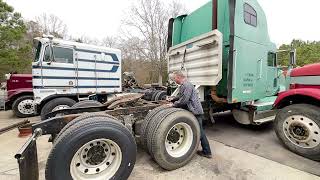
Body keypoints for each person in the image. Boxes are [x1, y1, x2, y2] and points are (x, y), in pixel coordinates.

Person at [167, 71, 212, 158]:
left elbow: (184, 100)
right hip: (194, 110)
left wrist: (173, 104)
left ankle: (207, 152)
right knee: (198, 130)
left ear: (178, 77)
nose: (174, 80)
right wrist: (172, 99)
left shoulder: (186, 85)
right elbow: (181, 97)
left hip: (195, 111)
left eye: (174, 78)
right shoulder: (185, 85)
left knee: (200, 131)